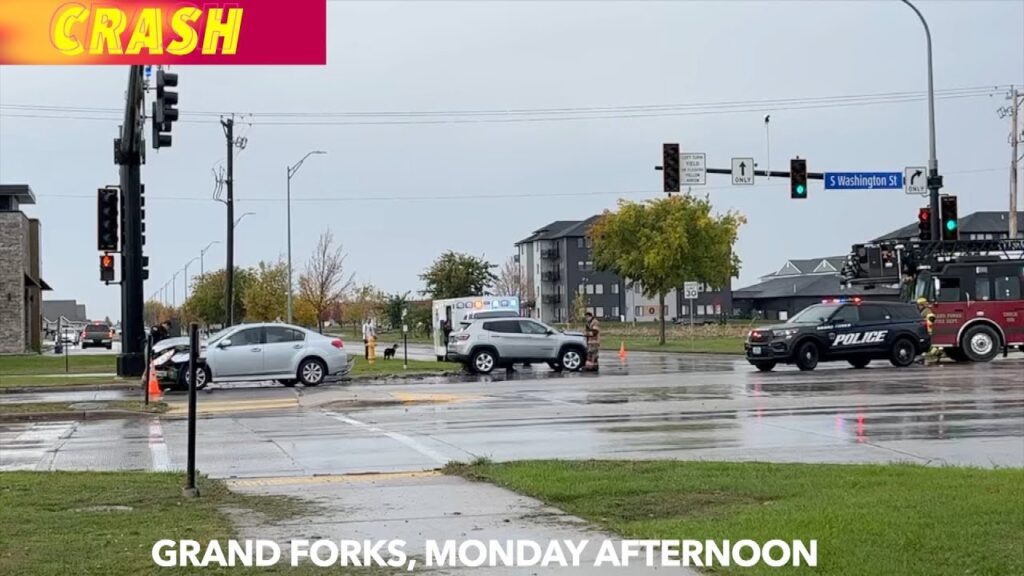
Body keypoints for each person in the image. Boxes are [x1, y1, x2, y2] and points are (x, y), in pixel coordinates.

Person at [916, 297, 942, 364]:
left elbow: (931, 319)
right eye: (918, 305)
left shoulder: (927, 311)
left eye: (920, 305)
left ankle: (933, 355)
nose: (919, 306)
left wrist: (926, 324)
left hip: (928, 331)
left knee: (930, 345)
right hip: (925, 330)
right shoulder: (922, 311)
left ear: (923, 305)